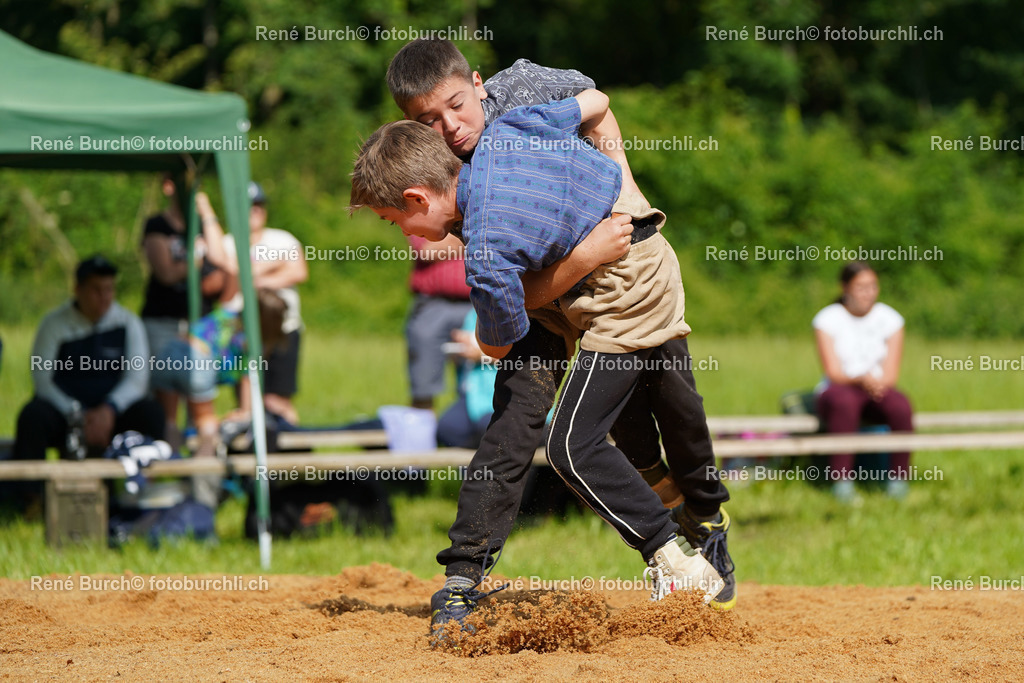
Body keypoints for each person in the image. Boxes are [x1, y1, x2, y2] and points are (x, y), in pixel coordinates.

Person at [351, 97, 730, 638]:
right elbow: (593, 101)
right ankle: (465, 574)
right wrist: (614, 190)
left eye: (397, 221)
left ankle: (681, 557)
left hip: (626, 289)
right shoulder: (507, 131)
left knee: (576, 445)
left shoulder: (484, 248)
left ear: (418, 196)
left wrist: (575, 259)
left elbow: (498, 345)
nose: (405, 236)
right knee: (525, 422)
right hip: (596, 277)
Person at [13, 255, 164, 464]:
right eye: (96, 290)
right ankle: (30, 492)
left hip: (113, 415)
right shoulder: (54, 325)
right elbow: (42, 380)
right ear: (77, 289)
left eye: (109, 289)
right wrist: (78, 415)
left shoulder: (128, 323)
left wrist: (109, 410)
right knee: (32, 416)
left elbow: (137, 379)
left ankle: (141, 487)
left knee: (151, 413)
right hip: (65, 414)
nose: (104, 297)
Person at [140, 175, 232, 446]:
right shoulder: (157, 225)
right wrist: (195, 260)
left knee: (200, 403)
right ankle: (161, 468)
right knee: (162, 403)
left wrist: (206, 212)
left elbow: (221, 260)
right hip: (162, 322)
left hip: (199, 326)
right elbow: (166, 272)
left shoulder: (201, 225)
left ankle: (199, 477)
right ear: (169, 186)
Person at [813, 261, 914, 502]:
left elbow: (891, 374)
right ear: (845, 288)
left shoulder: (891, 319)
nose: (868, 293)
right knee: (844, 402)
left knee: (901, 406)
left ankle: (898, 480)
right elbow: (834, 372)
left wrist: (874, 383)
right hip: (839, 388)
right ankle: (841, 483)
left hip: (878, 388)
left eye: (873, 286)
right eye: (861, 287)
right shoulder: (827, 319)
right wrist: (860, 379)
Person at [221, 181, 308, 424]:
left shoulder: (282, 239)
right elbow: (227, 277)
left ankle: (293, 451)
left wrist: (252, 276)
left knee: (278, 399)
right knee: (245, 401)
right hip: (243, 332)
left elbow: (298, 271)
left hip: (283, 329)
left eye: (259, 205)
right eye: (250, 206)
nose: (256, 211)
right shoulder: (228, 242)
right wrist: (274, 266)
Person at [405, 234, 473, 411]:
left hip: (477, 305)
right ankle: (422, 433)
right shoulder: (426, 209)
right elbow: (428, 251)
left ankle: (466, 431)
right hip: (433, 305)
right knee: (423, 380)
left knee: (478, 378)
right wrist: (474, 236)